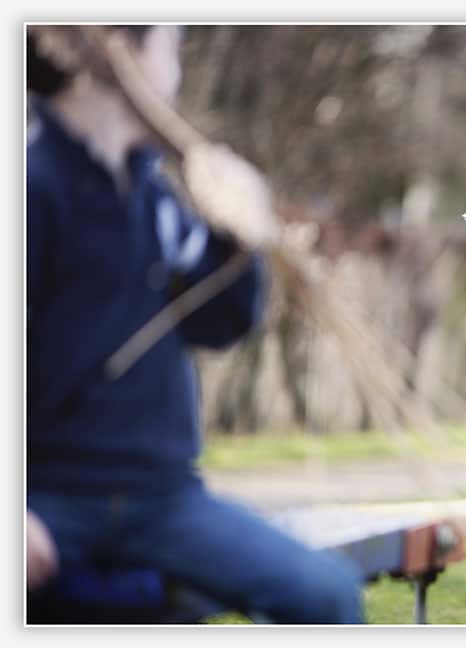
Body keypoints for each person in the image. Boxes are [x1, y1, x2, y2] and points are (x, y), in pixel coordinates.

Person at [26, 25, 363, 623]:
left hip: (162, 499)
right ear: (120, 51)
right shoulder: (31, 184)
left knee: (328, 597)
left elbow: (217, 324)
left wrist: (234, 235)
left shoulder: (149, 190)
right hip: (50, 499)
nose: (176, 73)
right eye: (171, 48)